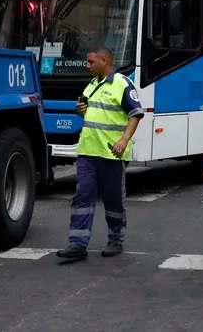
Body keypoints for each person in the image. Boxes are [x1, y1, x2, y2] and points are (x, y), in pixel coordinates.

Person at [57, 47, 145, 264]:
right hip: (87, 153)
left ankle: (115, 240)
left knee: (114, 201)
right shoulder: (91, 84)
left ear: (105, 60)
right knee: (82, 198)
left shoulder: (122, 83)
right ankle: (77, 245)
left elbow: (135, 114)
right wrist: (80, 110)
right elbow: (91, 112)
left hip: (111, 154)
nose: (87, 66)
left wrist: (124, 140)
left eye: (91, 62)